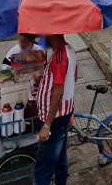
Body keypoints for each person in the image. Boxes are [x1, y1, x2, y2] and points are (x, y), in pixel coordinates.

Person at [34, 34, 77, 185]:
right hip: (63, 114)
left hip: (55, 119)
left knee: (43, 168)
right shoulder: (70, 50)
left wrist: (47, 125)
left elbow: (59, 92)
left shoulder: (60, 55)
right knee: (60, 159)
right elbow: (73, 78)